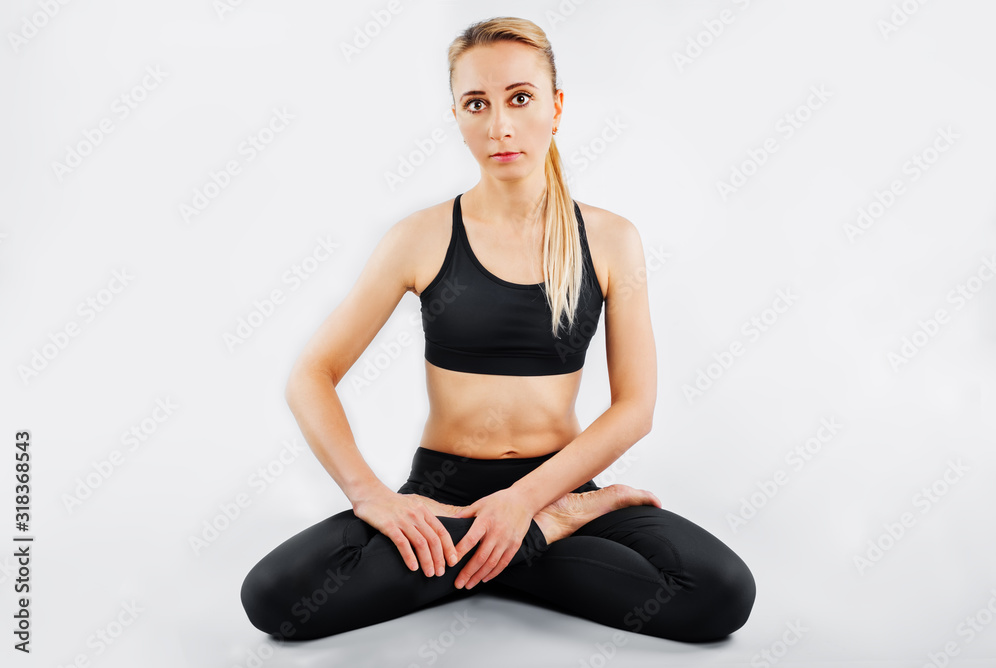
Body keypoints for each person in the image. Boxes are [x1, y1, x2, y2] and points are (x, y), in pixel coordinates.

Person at [240, 16, 755, 644]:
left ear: (556, 106)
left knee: (722, 592)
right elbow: (310, 376)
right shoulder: (420, 237)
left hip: (559, 486)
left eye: (520, 98)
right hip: (442, 497)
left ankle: (518, 542)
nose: (500, 125)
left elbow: (635, 408)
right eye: (476, 104)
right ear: (456, 116)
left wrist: (528, 506)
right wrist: (370, 494)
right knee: (273, 599)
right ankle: (515, 551)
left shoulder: (612, 240)